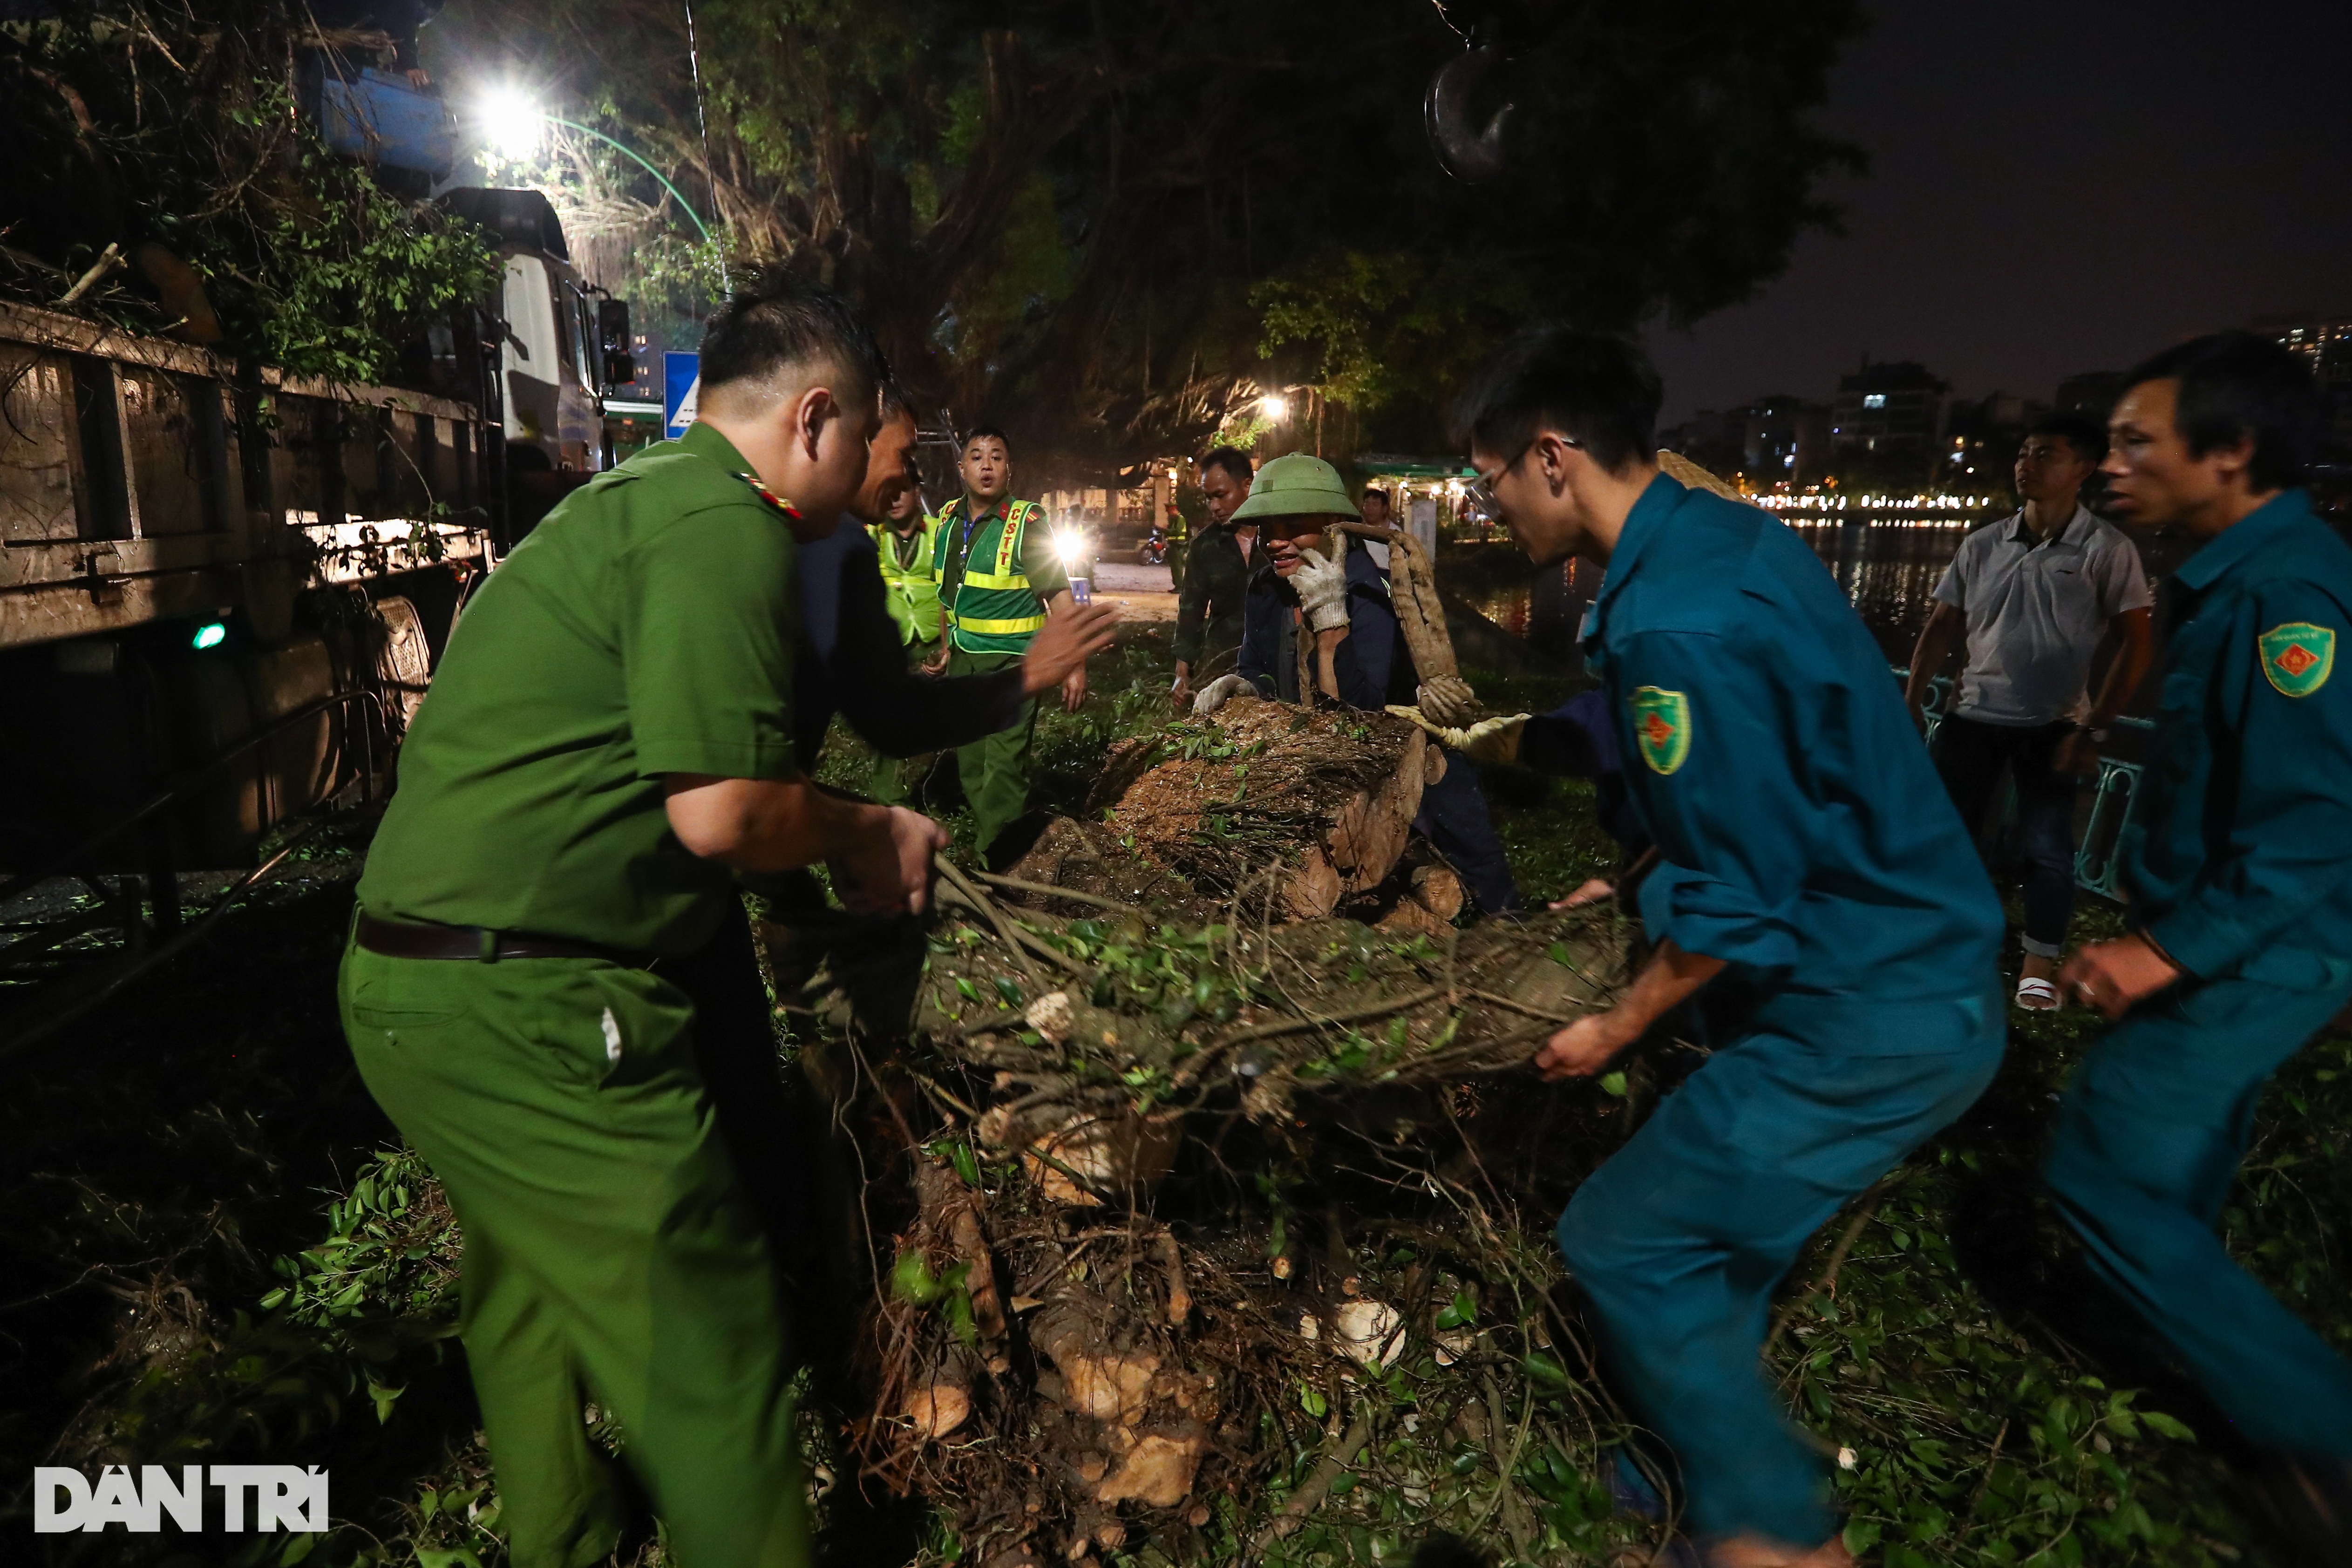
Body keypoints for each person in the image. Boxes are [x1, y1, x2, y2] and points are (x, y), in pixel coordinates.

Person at [335, 275, 947, 1568]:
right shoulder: (723, 524)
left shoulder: (619, 503)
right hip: (533, 1004)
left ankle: (565, 1532)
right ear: (818, 417)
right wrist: (868, 830)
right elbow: (722, 813)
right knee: (709, 1332)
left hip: (414, 986)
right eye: (875, 432)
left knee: (525, 1284)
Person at [1459, 328, 2003, 1566]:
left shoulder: (1676, 622)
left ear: (1551, 457)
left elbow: (1744, 892)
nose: (1488, 506)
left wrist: (1618, 1016)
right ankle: (1686, 1471)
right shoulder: (1720, 542)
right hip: (1890, 970)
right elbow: (1752, 783)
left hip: (1867, 1008)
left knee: (1619, 1235)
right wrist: (1630, 869)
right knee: (1715, 1242)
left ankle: (1780, 1526)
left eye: (1489, 477)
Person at [2045, 332, 2352, 1557]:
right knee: (2175, 1154)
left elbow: (2319, 820)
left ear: (2228, 454)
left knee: (2097, 1169)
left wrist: (2166, 951)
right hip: (2230, 932)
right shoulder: (2227, 570)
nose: (2107, 464)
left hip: (2265, 945)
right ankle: (2156, 1348)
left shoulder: (2290, 598)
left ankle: (2323, 1425)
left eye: (2135, 441)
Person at [1191, 454, 1523, 917]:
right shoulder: (1266, 589)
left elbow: (1362, 715)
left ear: (1333, 525)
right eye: (1268, 528)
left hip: (1410, 761)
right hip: (1319, 765)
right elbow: (1258, 669)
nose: (1277, 541)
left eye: (1294, 525)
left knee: (1481, 883)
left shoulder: (1368, 591)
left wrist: (1331, 627)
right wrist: (1241, 688)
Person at [1904, 414, 2155, 1008]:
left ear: (2083, 470)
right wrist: (1912, 700)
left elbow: (2138, 645)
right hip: (1970, 716)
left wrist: (2094, 728)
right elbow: (1941, 626)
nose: (2027, 463)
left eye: (2045, 454)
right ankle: (1943, 946)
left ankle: (2037, 963)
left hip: (2054, 725)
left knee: (2047, 849)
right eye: (2023, 452)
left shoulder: (2106, 550)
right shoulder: (1983, 543)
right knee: (1943, 838)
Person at [927, 426, 1081, 868]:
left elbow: (1058, 594)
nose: (987, 464)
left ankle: (997, 866)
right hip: (964, 664)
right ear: (962, 468)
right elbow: (946, 594)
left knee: (1004, 770)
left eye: (996, 456)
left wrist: (1074, 661)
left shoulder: (1027, 523)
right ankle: (993, 845)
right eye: (976, 456)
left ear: (1010, 469)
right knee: (972, 767)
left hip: (1016, 667)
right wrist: (945, 647)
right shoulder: (948, 519)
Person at [1170, 447, 1262, 707]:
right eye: (1208, 498)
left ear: (1248, 485)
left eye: (1221, 496)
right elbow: (1191, 611)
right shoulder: (1205, 546)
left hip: (1275, 665)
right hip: (1221, 664)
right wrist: (1182, 674)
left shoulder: (1280, 540)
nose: (1214, 507)